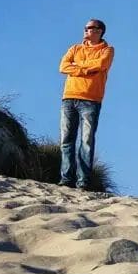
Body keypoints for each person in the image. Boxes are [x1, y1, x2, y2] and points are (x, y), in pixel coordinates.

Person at [59, 19, 114, 189]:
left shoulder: (107, 50)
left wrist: (77, 67)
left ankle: (83, 182)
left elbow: (101, 64)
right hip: (69, 97)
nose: (86, 30)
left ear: (99, 31)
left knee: (86, 142)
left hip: (91, 100)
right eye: (85, 28)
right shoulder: (75, 48)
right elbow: (63, 66)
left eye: (90, 28)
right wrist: (86, 69)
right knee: (67, 140)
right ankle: (66, 179)